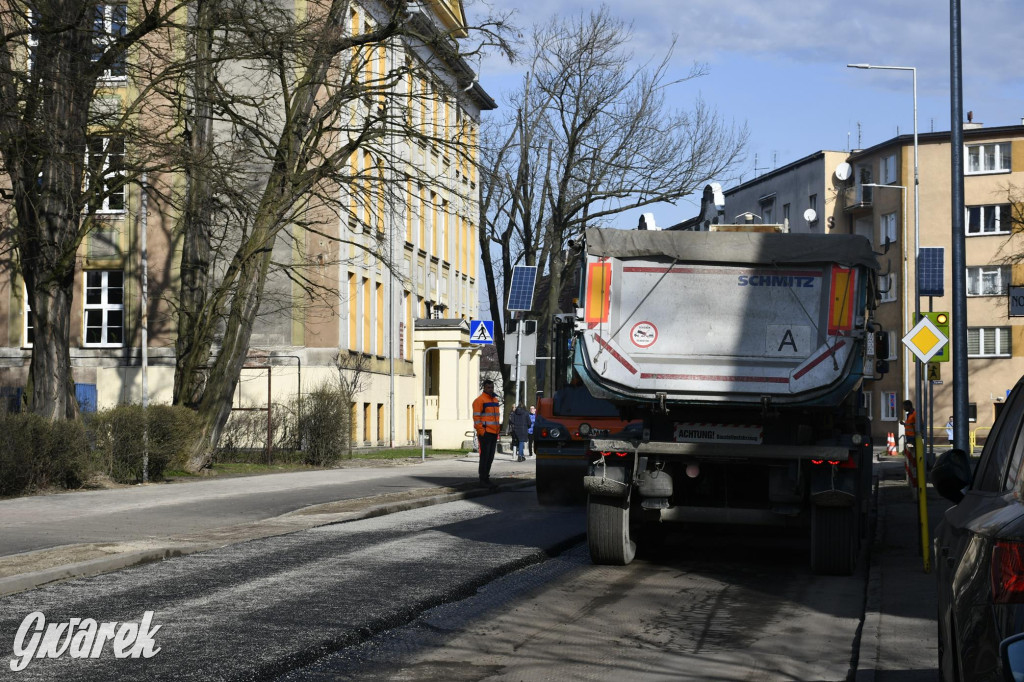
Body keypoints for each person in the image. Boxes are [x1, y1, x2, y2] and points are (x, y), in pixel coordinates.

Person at [472, 380, 501, 487]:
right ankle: (482, 479)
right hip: (486, 433)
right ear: (484, 388)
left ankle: (486, 478)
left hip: (493, 433)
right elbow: (476, 418)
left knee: (490, 457)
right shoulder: (479, 401)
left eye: (492, 387)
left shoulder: (495, 400)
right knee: (485, 457)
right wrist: (481, 431)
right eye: (488, 387)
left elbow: (496, 418)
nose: (490, 389)